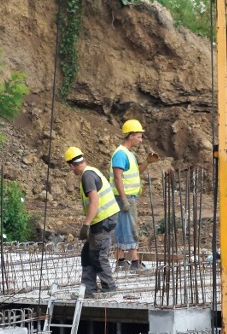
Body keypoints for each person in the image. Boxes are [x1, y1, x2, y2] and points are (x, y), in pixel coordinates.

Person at [64, 146, 119, 297]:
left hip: (103, 220)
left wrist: (85, 225)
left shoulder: (87, 176)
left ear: (71, 165)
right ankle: (88, 289)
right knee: (88, 254)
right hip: (103, 218)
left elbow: (94, 201)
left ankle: (109, 288)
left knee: (98, 255)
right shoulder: (92, 171)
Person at [110, 119, 158, 273]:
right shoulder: (120, 154)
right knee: (130, 228)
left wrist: (147, 162)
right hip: (124, 197)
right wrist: (124, 199)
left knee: (123, 228)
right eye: (139, 136)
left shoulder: (128, 154)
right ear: (130, 136)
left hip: (128, 197)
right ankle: (135, 263)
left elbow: (136, 171)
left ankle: (121, 262)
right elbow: (118, 178)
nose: (141, 139)